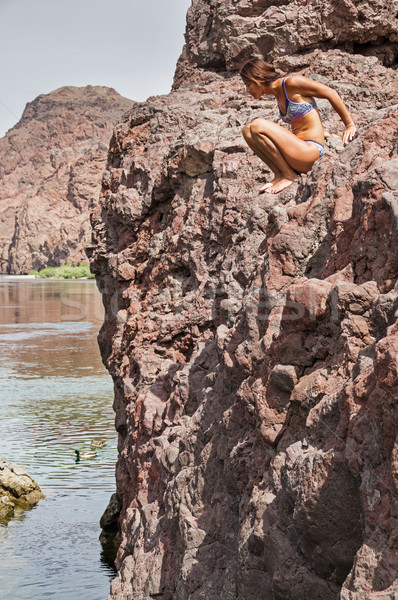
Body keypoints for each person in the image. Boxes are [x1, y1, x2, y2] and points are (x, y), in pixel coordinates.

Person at [240, 58, 357, 194]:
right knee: (247, 131)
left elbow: (331, 93)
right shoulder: (278, 95)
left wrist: (350, 125)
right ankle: (280, 174)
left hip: (311, 152)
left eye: (248, 84)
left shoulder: (292, 82)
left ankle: (289, 176)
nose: (247, 90)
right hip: (297, 153)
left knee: (257, 125)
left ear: (258, 78)